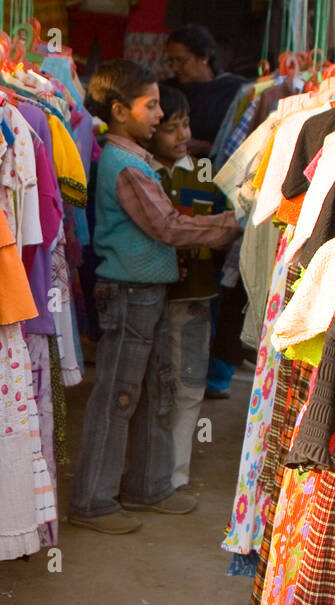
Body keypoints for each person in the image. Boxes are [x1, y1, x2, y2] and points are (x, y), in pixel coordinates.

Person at [68, 60, 239, 536]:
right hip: (129, 294)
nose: (161, 115)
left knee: (147, 392)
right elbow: (168, 227)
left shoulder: (132, 158)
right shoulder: (126, 166)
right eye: (152, 105)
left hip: (144, 292)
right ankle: (92, 500)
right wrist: (232, 222)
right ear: (120, 111)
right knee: (118, 397)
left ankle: (146, 486)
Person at [147, 85, 224, 494]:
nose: (181, 136)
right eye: (171, 128)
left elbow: (222, 233)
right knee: (153, 387)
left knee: (190, 385)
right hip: (154, 297)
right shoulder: (144, 173)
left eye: (186, 126)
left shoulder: (204, 173)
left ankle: (176, 474)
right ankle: (151, 470)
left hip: (194, 298)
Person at [164, 25, 244, 160]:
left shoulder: (233, 89)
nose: (175, 67)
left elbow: (242, 138)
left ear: (204, 57)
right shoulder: (168, 90)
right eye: (171, 61)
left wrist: (207, 147)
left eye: (181, 61)